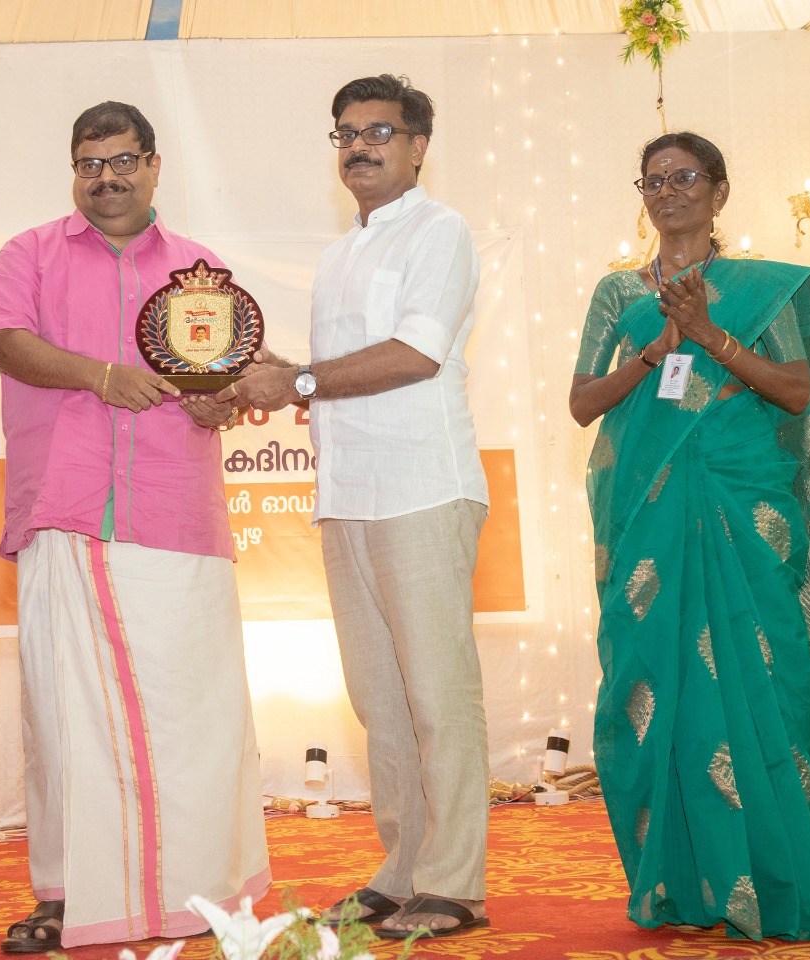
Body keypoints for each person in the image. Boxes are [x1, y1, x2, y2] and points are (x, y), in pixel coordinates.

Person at [0, 100, 269, 952]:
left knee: (193, 715)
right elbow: (1, 340)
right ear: (74, 170)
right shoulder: (30, 251)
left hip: (176, 512)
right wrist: (102, 376)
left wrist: (217, 403)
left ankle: (199, 891)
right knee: (66, 721)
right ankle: (65, 896)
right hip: (65, 508)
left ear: (154, 164)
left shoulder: (199, 270)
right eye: (90, 162)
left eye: (123, 160)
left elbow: (222, 382)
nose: (107, 177)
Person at [225, 74, 490, 938]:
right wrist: (280, 373)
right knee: (379, 698)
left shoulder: (441, 232)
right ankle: (403, 866)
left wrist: (299, 378)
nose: (360, 146)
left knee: (438, 695)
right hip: (348, 491)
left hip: (421, 486)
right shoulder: (341, 254)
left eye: (380, 131)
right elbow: (339, 377)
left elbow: (415, 354)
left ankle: (455, 882)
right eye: (344, 133)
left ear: (419, 145)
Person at [569, 132, 810, 940]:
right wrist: (657, 348)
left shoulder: (765, 290)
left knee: (769, 683)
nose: (668, 192)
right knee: (657, 687)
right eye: (653, 180)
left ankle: (773, 874)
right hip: (650, 518)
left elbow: (797, 392)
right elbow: (586, 402)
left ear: (720, 192)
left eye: (686, 177)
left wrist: (713, 338)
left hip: (746, 513)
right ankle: (680, 885)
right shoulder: (618, 294)